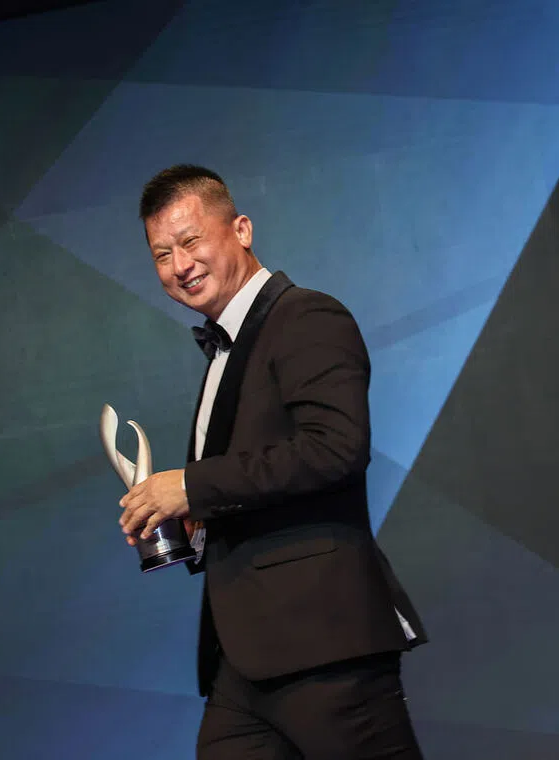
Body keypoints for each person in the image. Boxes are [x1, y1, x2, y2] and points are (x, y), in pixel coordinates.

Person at [118, 164, 427, 759]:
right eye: (161, 254)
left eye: (190, 241)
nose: (179, 265)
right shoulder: (225, 349)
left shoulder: (306, 316)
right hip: (244, 662)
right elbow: (248, 483)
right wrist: (189, 523)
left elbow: (334, 448)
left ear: (241, 229)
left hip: (323, 644)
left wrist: (191, 486)